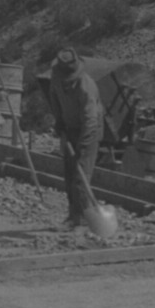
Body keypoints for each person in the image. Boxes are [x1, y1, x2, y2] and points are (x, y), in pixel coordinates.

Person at [40, 47, 103, 229]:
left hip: (88, 132)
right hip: (69, 128)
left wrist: (82, 147)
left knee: (80, 176)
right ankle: (74, 216)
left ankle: (85, 219)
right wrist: (59, 121)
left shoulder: (86, 87)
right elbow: (54, 99)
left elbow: (90, 121)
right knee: (69, 175)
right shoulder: (58, 78)